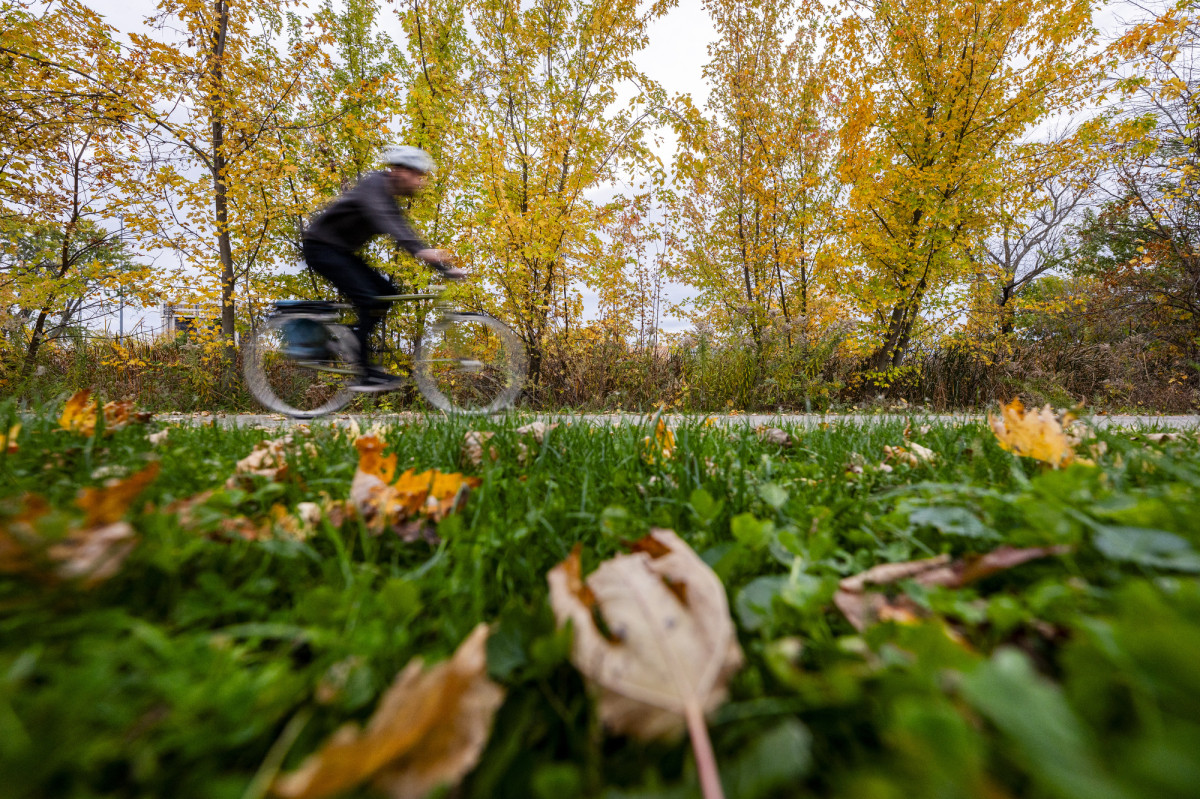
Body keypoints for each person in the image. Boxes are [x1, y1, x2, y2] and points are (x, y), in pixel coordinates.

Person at [301, 145, 465, 391]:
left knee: (385, 292)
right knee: (369, 298)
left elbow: (406, 233)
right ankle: (363, 371)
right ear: (401, 170)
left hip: (338, 251)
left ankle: (345, 341)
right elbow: (385, 220)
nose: (420, 182)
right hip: (320, 248)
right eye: (418, 175)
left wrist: (443, 269)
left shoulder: (388, 197)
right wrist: (424, 252)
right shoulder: (374, 186)